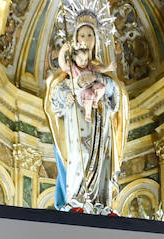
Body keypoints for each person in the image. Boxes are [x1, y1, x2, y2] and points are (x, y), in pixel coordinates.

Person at [44, 12, 127, 213]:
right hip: (76, 122)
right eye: (82, 36)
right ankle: (77, 199)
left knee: (101, 158)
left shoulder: (102, 72)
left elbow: (117, 99)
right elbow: (54, 94)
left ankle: (100, 201)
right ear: (76, 40)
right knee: (80, 155)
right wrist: (66, 96)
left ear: (96, 40)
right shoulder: (67, 73)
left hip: (101, 122)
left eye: (90, 35)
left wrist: (105, 83)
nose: (86, 40)